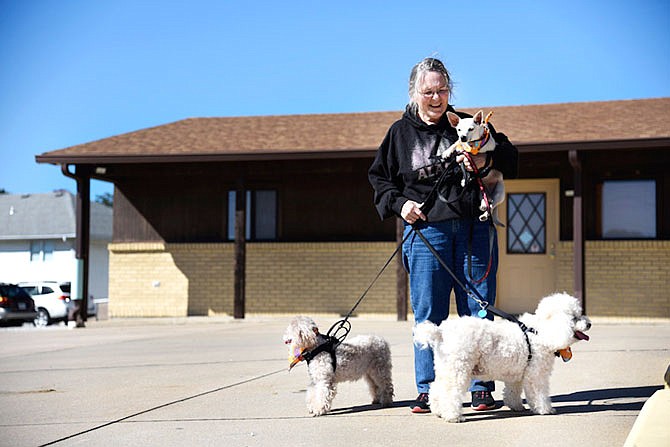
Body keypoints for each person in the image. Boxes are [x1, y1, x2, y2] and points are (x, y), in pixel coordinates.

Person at [368, 57, 518, 413]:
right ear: (414, 93)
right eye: (428, 91)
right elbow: (380, 180)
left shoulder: (466, 125)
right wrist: (401, 204)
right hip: (425, 234)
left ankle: (482, 386)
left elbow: (511, 157)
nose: (436, 98)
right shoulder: (399, 134)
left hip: (474, 230)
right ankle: (429, 388)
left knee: (478, 310)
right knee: (428, 314)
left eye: (442, 90)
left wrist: (487, 163)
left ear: (450, 91)